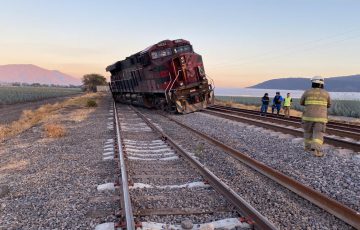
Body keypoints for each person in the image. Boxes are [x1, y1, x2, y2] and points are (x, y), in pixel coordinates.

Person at [300, 76, 331, 157]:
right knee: (318, 134)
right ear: (322, 84)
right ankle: (317, 151)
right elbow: (329, 105)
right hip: (321, 118)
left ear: (313, 83)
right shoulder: (326, 93)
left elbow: (301, 102)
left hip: (308, 117)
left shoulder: (307, 92)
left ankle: (307, 148)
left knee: (308, 132)